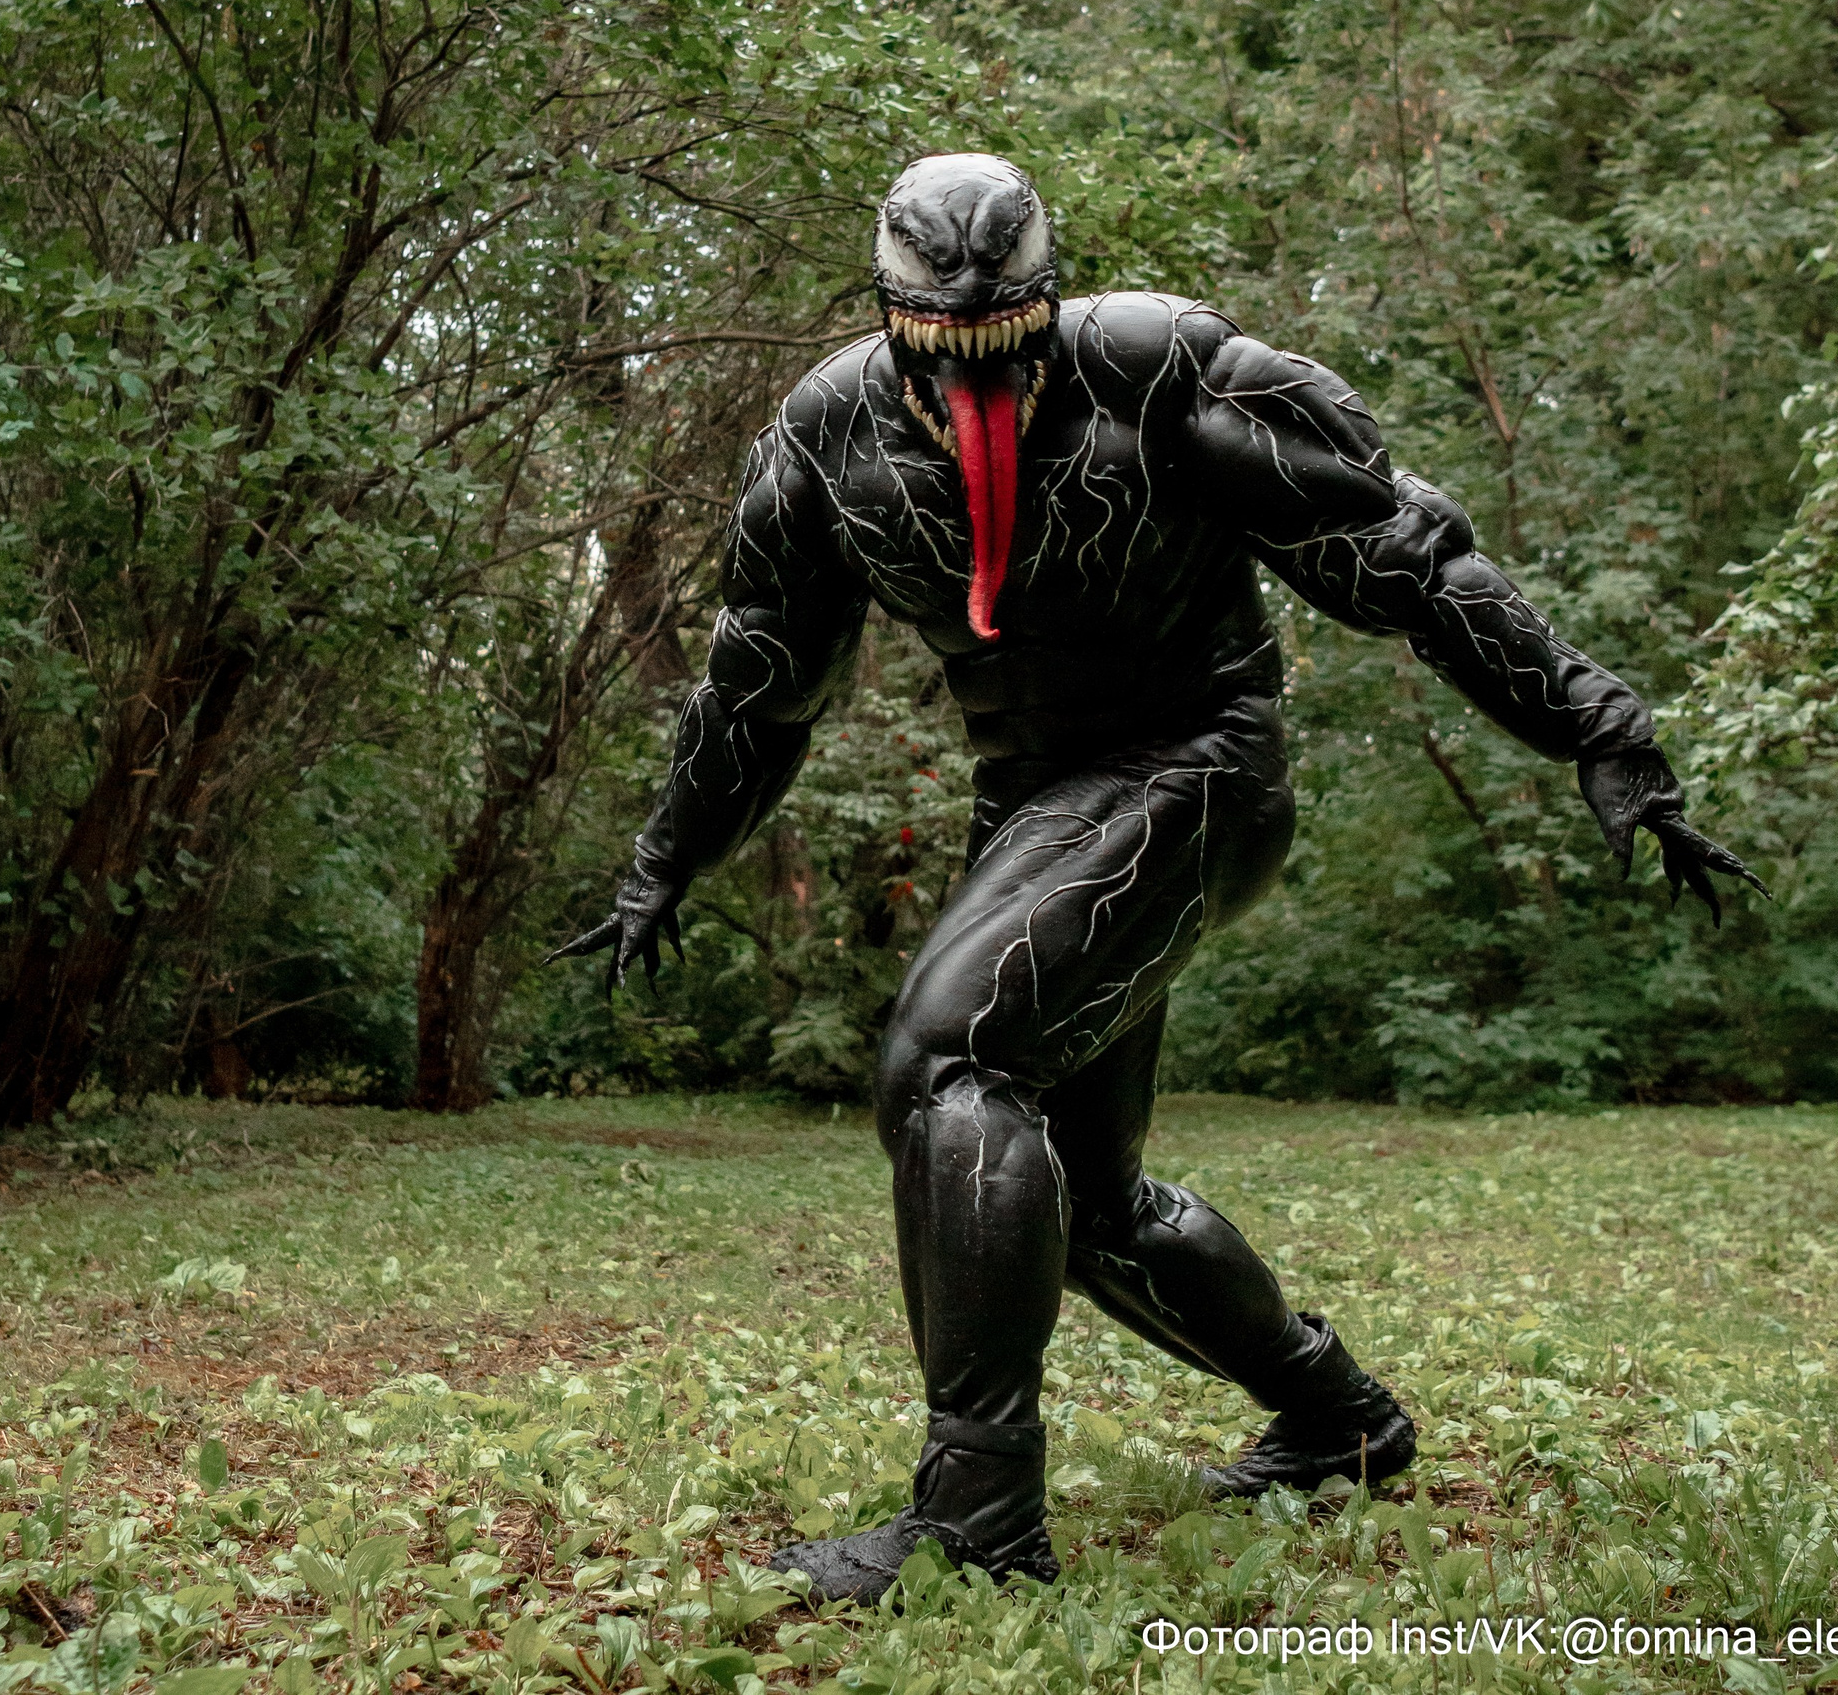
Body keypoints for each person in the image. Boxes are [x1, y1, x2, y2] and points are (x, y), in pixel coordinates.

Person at [554, 153, 1763, 1604]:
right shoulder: (826, 437)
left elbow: (1411, 554)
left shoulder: (1159, 371)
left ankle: (979, 1524)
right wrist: (664, 859)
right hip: (1037, 804)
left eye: (1004, 341)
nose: (975, 379)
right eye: (941, 347)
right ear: (890, 314)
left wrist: (1604, 730)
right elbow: (759, 685)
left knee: (947, 1064)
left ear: (1047, 300)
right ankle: (1337, 1417)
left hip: (1202, 765)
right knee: (1075, 1194)